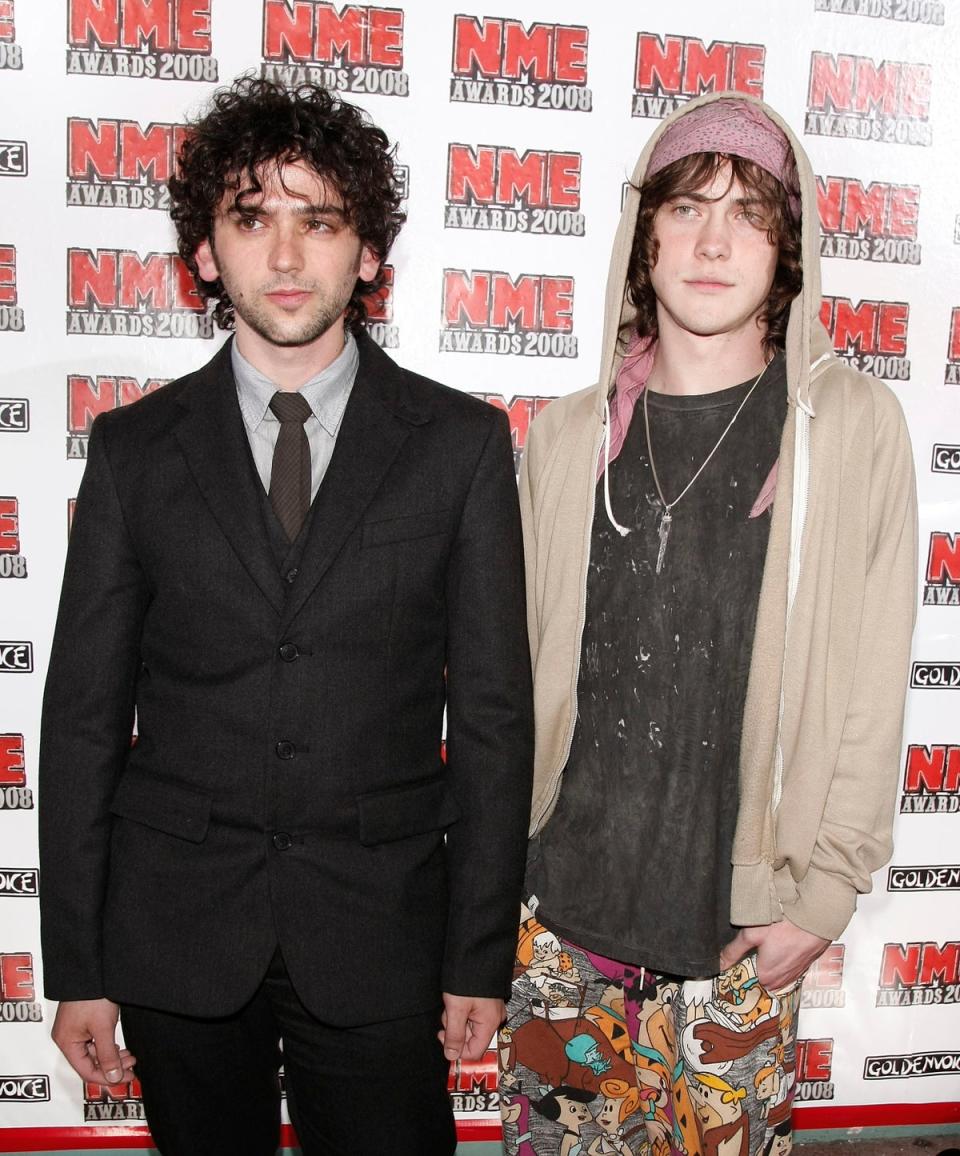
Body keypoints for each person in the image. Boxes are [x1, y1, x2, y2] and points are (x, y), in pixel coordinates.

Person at [39, 76, 533, 1156]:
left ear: (368, 252)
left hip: (382, 931)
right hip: (176, 930)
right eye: (253, 219)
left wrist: (476, 955)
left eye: (322, 221)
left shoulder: (460, 447)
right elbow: (81, 723)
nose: (289, 257)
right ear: (206, 253)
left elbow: (494, 719)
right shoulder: (135, 452)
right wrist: (75, 965)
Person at [499, 92, 917, 1156]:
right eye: (687, 208)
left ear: (792, 249)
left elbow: (872, 685)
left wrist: (822, 896)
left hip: (738, 949)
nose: (715, 241)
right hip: (561, 941)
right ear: (645, 238)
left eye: (751, 214)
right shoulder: (560, 443)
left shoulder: (852, 431)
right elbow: (513, 683)